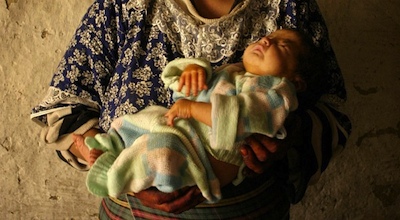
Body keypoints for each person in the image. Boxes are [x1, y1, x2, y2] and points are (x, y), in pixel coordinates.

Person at [31, 0, 352, 219]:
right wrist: (122, 168)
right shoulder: (122, 5)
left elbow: (332, 115)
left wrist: (286, 137)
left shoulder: (288, 7)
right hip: (131, 211)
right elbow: (65, 106)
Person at [73, 29, 327, 204]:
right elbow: (181, 89)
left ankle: (114, 176)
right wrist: (192, 72)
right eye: (267, 36)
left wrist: (193, 109)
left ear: (297, 82)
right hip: (184, 133)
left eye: (283, 46)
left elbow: (241, 117)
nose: (266, 41)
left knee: (162, 152)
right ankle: (112, 145)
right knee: (144, 119)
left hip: (204, 156)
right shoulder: (233, 73)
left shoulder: (277, 94)